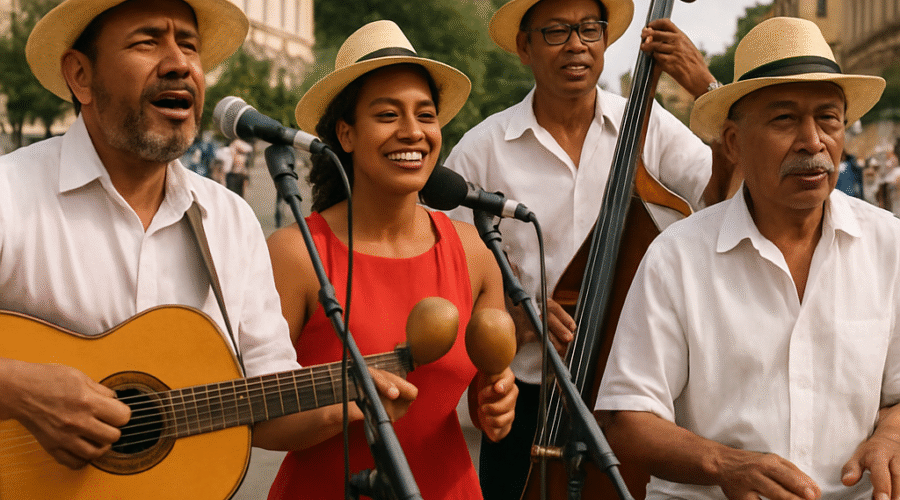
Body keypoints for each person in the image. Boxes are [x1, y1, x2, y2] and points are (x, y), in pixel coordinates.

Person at [0, 0, 412, 475]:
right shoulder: (12, 194)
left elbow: (268, 400)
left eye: (189, 46)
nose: (179, 64)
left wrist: (352, 402)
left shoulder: (230, 220)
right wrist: (19, 387)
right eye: (147, 41)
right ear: (81, 75)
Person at [596, 16, 899, 500]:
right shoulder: (677, 256)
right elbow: (626, 421)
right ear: (733, 143)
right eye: (784, 119)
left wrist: (890, 436)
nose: (812, 140)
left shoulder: (890, 245)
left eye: (828, 118)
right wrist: (723, 466)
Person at [442, 0, 737, 496]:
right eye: (556, 32)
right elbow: (447, 265)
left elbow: (723, 200)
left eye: (589, 29)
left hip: (631, 394)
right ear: (524, 47)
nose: (577, 44)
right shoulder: (482, 148)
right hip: (528, 395)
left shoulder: (647, 123)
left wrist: (708, 92)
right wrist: (509, 312)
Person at [264, 21, 518, 500]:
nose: (413, 132)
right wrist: (350, 406)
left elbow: (479, 388)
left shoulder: (474, 251)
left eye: (425, 115)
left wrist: (496, 399)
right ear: (346, 133)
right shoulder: (295, 253)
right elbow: (258, 423)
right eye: (387, 114)